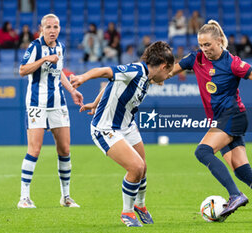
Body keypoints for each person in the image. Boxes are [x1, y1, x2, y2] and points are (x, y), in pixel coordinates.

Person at [168, 20, 252, 222]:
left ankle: (235, 195)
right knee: (243, 172)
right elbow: (168, 71)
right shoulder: (195, 59)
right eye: (201, 45)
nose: (204, 49)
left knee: (203, 151)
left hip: (233, 116)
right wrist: (146, 77)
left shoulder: (232, 63)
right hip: (221, 120)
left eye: (208, 45)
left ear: (220, 41)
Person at [69, 41, 174, 227]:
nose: (167, 77)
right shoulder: (135, 70)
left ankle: (140, 206)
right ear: (163, 65)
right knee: (135, 168)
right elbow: (106, 72)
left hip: (127, 126)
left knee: (143, 168)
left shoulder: (148, 77)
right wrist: (83, 77)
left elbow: (113, 83)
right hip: (106, 128)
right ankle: (127, 212)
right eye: (168, 71)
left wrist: (94, 103)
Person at [17, 14, 83, 209]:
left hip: (58, 104)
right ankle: (24, 198)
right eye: (49, 27)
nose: (52, 30)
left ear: (59, 28)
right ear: (42, 29)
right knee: (34, 150)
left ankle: (66, 197)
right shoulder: (35, 47)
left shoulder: (60, 47)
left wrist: (72, 91)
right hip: (37, 104)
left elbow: (59, 71)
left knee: (64, 149)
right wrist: (44, 58)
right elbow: (22, 70)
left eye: (56, 27)